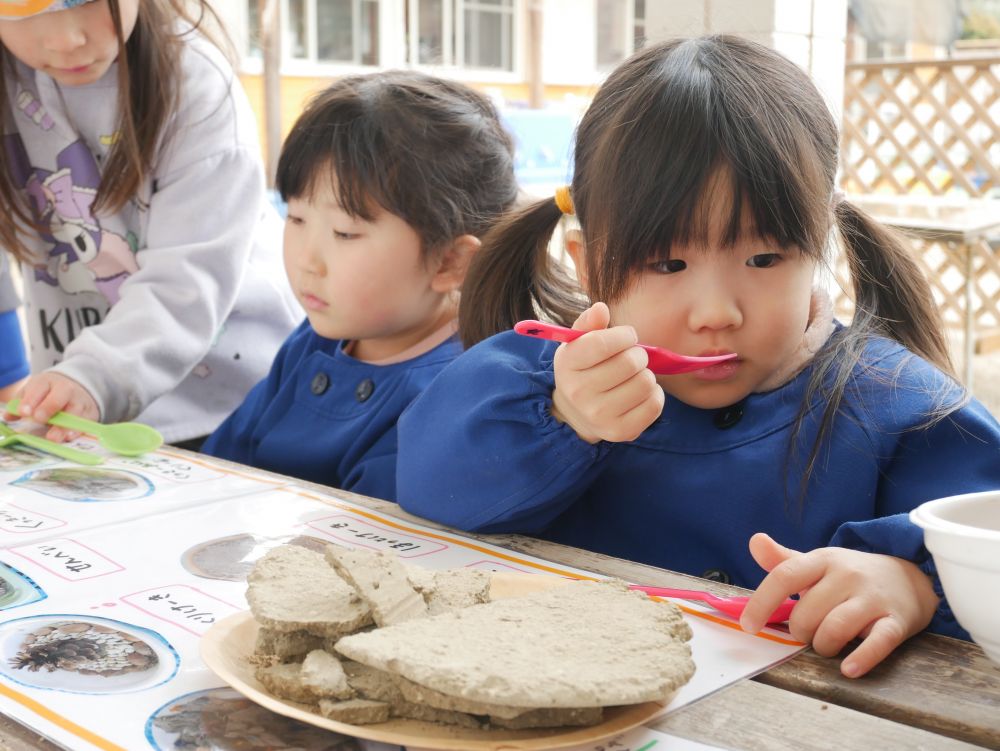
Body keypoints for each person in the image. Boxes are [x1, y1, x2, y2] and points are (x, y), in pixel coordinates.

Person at [396, 36, 1000, 677]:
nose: (716, 311)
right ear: (588, 267)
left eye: (763, 259)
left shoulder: (894, 404)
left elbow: (984, 541)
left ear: (819, 245)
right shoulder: (539, 383)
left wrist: (916, 584)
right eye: (668, 263)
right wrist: (562, 419)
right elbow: (425, 487)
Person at [201, 71, 518, 501]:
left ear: (450, 261)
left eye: (345, 233)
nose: (307, 262)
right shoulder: (311, 342)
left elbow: (366, 542)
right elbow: (219, 469)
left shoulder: (453, 392)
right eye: (296, 218)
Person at [0, 0, 299, 447]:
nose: (67, 39)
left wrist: (95, 376)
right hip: (85, 411)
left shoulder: (195, 85)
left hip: (235, 408)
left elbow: (188, 280)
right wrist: (9, 372)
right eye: (25, 5)